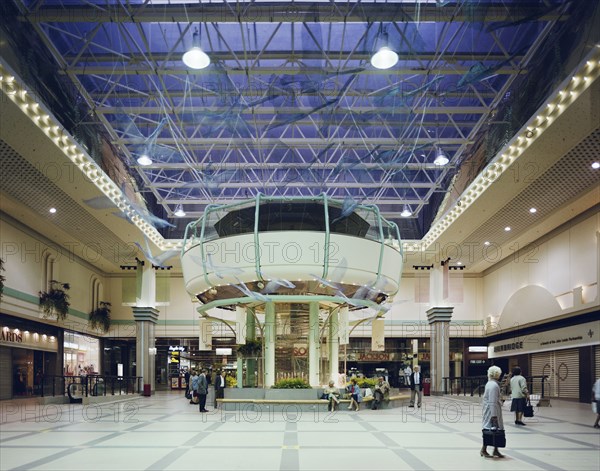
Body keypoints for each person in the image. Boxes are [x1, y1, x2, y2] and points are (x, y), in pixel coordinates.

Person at [481, 365, 505, 459]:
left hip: (491, 410)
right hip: (492, 411)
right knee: (491, 430)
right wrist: (494, 415)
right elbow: (492, 401)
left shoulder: (490, 383)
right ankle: (484, 449)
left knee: (494, 430)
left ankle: (495, 449)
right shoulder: (494, 385)